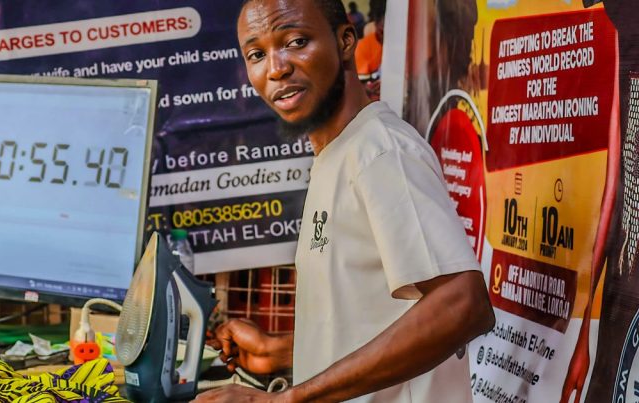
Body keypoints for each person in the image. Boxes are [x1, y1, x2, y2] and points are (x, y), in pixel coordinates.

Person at [193, 0, 495, 401]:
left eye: (297, 41)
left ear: (346, 40)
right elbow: (374, 317)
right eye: (257, 54)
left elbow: (462, 304)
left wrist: (284, 400)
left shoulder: (381, 151)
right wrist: (282, 351)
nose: (276, 67)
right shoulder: (336, 154)